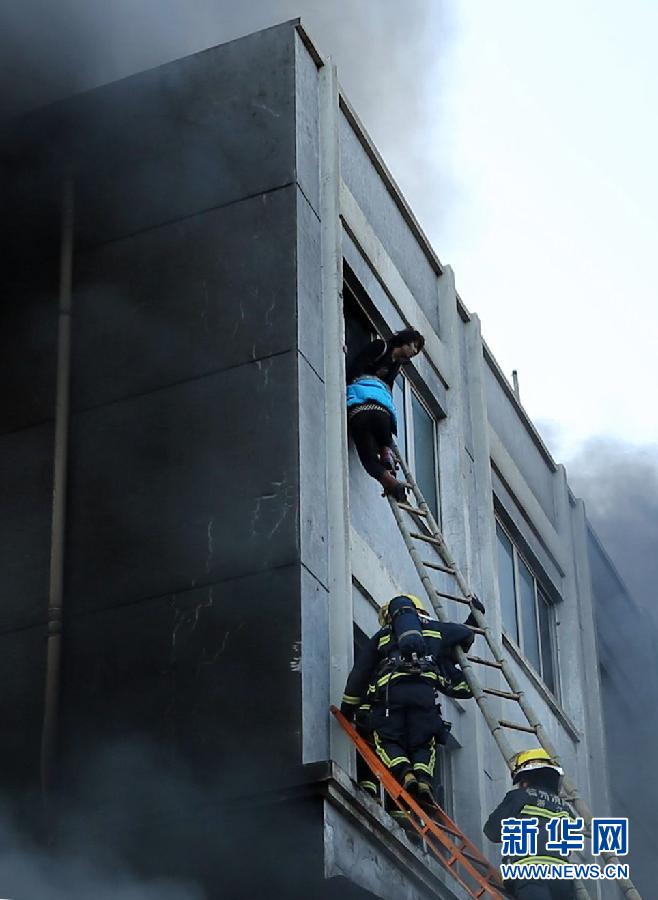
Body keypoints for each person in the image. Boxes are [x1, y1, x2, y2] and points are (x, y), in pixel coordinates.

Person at [340, 593, 479, 816]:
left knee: (389, 739)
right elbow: (463, 635)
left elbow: (360, 673)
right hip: (424, 695)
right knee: (423, 742)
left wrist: (348, 708)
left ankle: (405, 772)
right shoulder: (436, 630)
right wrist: (474, 618)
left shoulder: (383, 635)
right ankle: (424, 779)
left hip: (391, 696)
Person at [483, 749, 576, 900]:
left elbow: (492, 830)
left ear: (526, 778)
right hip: (563, 882)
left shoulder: (519, 796)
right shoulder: (566, 809)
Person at [346, 329, 425, 501]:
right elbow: (356, 367)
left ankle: (389, 477)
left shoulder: (396, 365)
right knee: (382, 439)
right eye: (414, 346)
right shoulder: (380, 346)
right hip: (380, 411)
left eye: (417, 350)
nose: (414, 351)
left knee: (368, 459)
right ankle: (386, 454)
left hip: (361, 409)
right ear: (405, 340)